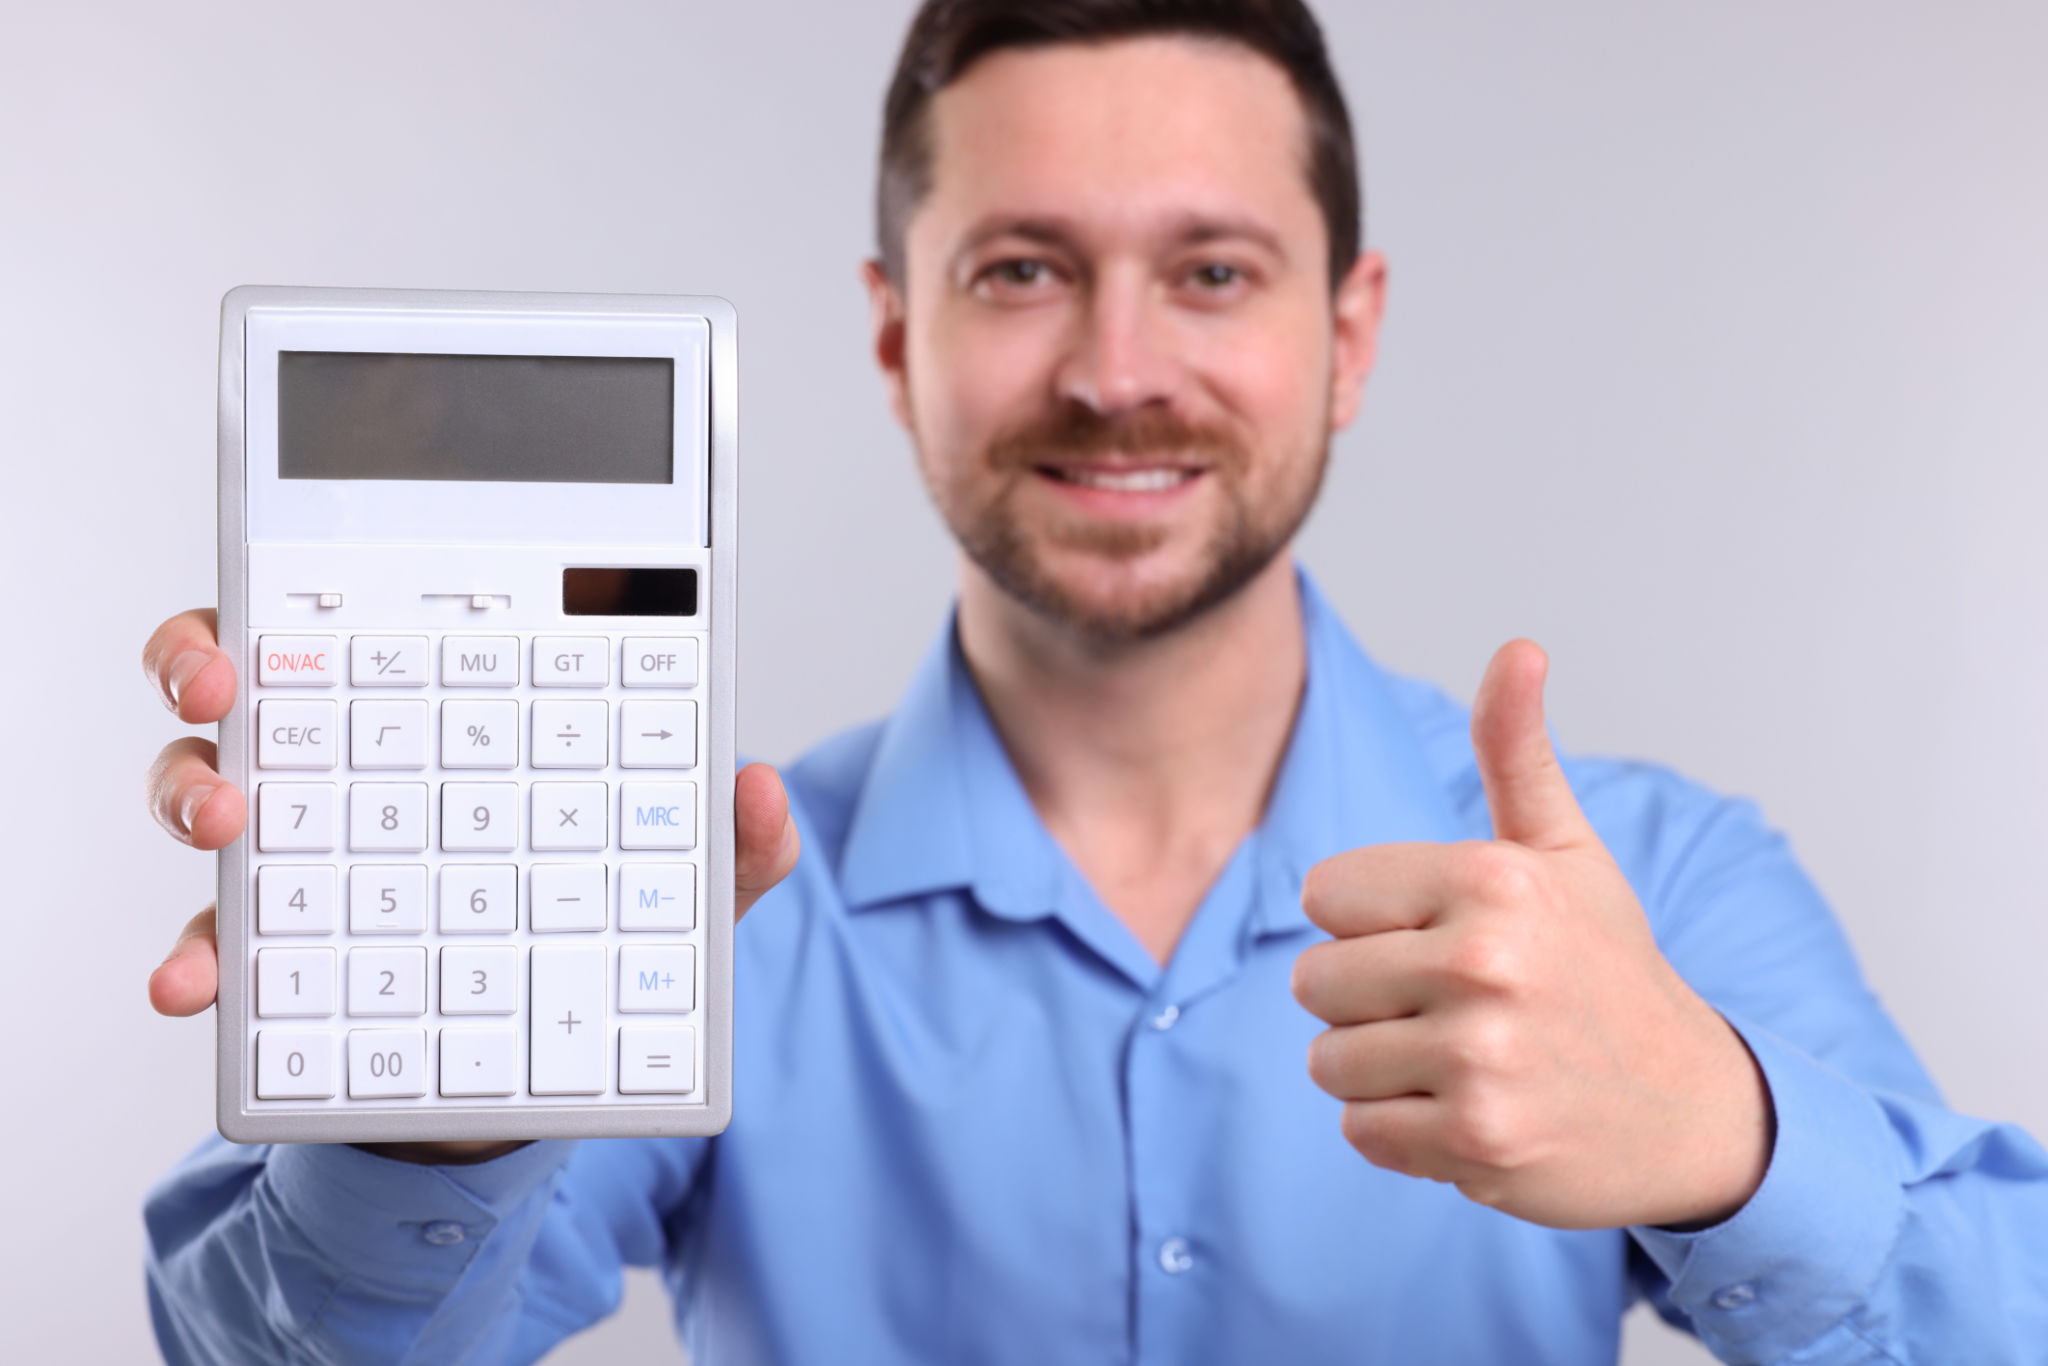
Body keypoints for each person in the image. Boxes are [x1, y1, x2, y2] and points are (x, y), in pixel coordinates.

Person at [141, 1, 2048, 1362]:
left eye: (1212, 272)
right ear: (897, 337)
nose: (1118, 369)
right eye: (1024, 270)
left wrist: (1726, 1133)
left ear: (1348, 331)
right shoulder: (687, 906)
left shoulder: (1651, 888)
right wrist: (446, 1082)